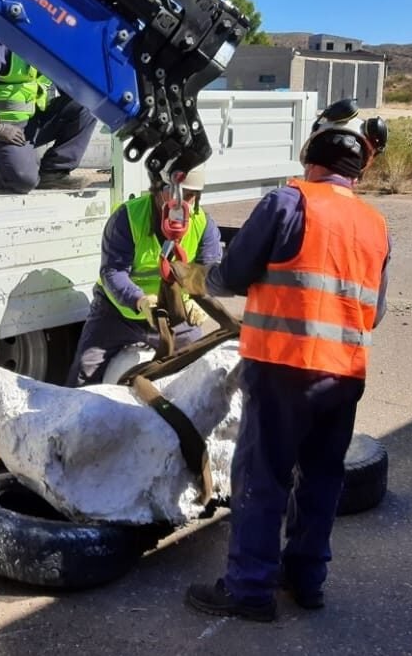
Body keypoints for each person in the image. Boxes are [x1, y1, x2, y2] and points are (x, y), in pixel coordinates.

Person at [173, 98, 391, 622]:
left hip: (283, 370)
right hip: (344, 376)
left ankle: (250, 590)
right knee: (320, 478)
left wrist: (188, 276)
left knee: (263, 475)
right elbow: (375, 314)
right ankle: (306, 580)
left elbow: (230, 276)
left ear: (312, 149)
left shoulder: (288, 202)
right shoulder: (376, 225)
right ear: (359, 163)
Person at [66, 165, 223, 386]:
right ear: (158, 189)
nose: (180, 204)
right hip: (118, 314)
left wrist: (199, 300)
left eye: (188, 196)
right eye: (173, 194)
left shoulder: (204, 224)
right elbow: (113, 271)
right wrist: (139, 300)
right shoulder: (128, 217)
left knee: (199, 374)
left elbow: (209, 272)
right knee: (84, 375)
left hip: (176, 315)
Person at [0, 33, 97, 192]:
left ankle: (52, 173)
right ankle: (2, 170)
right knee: (24, 181)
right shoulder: (1, 36)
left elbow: (70, 88)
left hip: (31, 122)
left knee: (87, 105)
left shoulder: (49, 42)